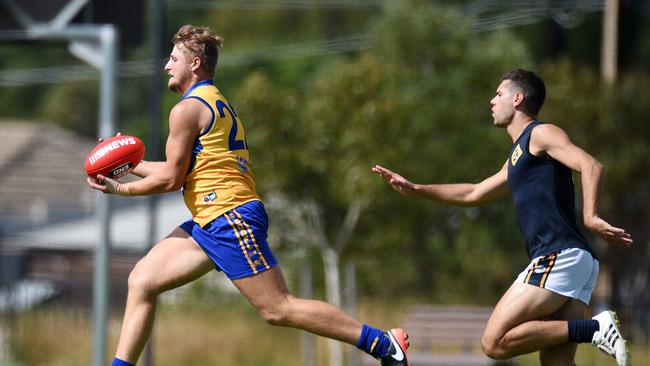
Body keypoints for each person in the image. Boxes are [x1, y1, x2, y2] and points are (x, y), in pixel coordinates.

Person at [87, 25, 410, 366]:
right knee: (142, 280)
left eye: (172, 59)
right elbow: (179, 170)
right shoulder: (215, 101)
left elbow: (170, 180)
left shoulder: (186, 110)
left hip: (229, 217)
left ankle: (382, 343)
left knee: (278, 308)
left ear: (195, 63)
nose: (166, 66)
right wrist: (129, 164)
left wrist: (120, 188)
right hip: (211, 220)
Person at [373, 69, 633, 366]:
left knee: (493, 342)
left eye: (499, 94)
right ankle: (593, 330)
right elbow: (473, 193)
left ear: (518, 98)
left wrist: (591, 216)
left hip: (559, 255)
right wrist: (417, 189)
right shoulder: (517, 156)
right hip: (576, 262)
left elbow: (591, 165)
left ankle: (596, 328)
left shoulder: (540, 133)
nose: (492, 101)